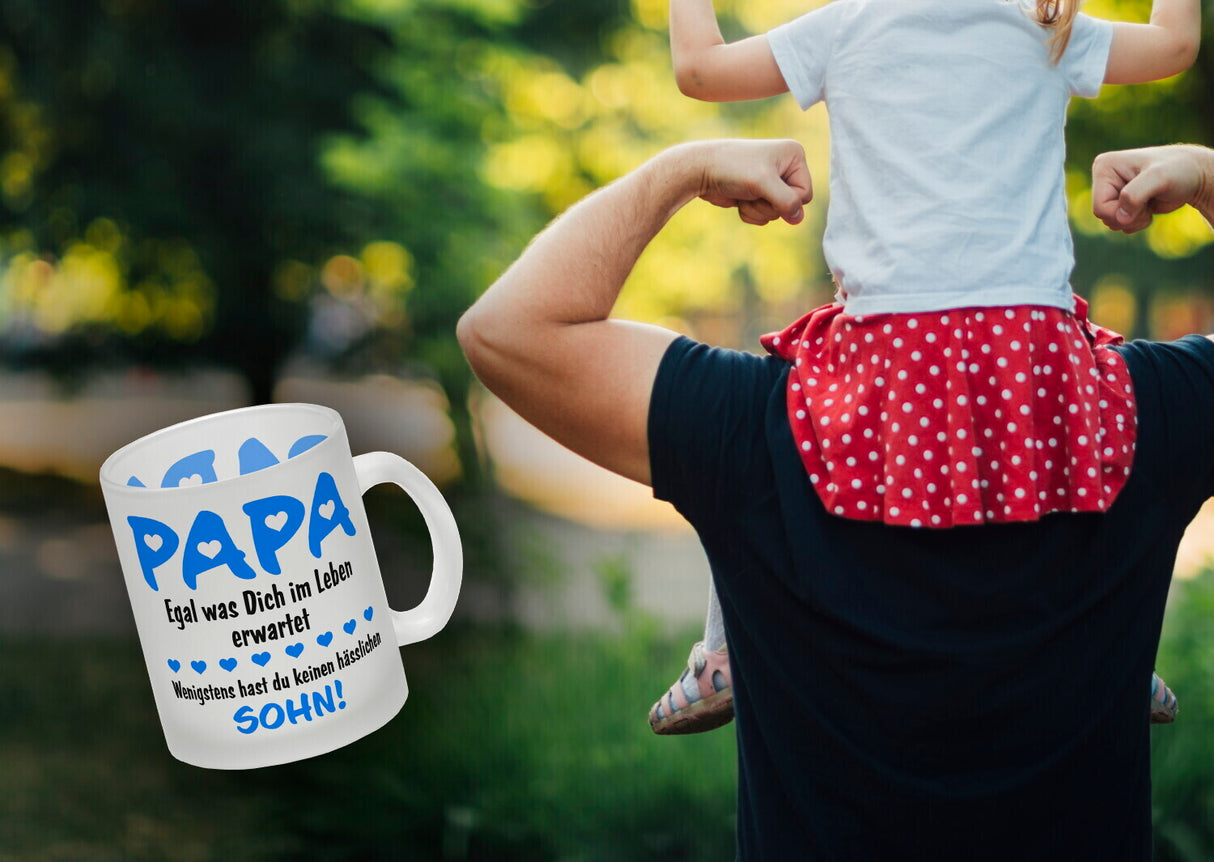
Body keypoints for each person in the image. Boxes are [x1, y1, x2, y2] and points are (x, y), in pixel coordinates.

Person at [458, 138, 1214, 862]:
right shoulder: (1137, 413)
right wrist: (1208, 177)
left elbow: (506, 330)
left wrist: (679, 172)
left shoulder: (760, 424)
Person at [652, 0, 1199, 733]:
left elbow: (696, 68)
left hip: (888, 349)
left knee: (749, 436)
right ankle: (1121, 653)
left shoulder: (843, 33)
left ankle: (724, 651)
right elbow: (1173, 42)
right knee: (1106, 441)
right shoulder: (1045, 27)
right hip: (1029, 344)